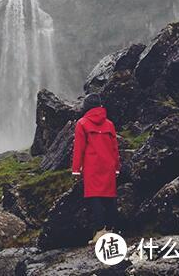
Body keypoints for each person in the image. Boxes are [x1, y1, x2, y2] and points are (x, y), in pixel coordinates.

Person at [71, 92, 120, 245]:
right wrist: (117, 167)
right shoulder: (109, 124)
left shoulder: (82, 123)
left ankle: (100, 232)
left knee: (95, 197)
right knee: (109, 197)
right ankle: (111, 229)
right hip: (109, 165)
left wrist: (76, 169)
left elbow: (79, 148)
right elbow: (115, 148)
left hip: (92, 166)